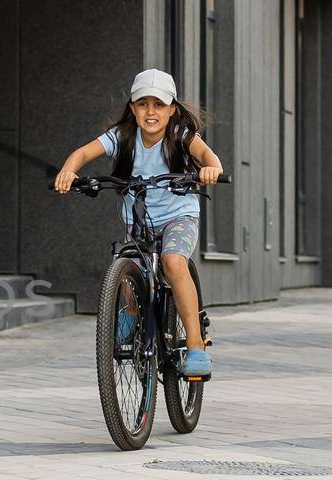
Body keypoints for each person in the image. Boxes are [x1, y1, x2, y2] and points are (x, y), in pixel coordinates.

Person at [52, 69, 224, 379]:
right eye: (143, 104)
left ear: (172, 109)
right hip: (140, 221)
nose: (150, 112)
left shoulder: (181, 136)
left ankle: (196, 346)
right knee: (129, 267)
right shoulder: (122, 136)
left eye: (158, 105)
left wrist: (209, 170)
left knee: (173, 263)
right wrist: (69, 171)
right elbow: (82, 153)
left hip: (178, 217)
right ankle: (129, 315)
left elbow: (211, 159)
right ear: (132, 108)